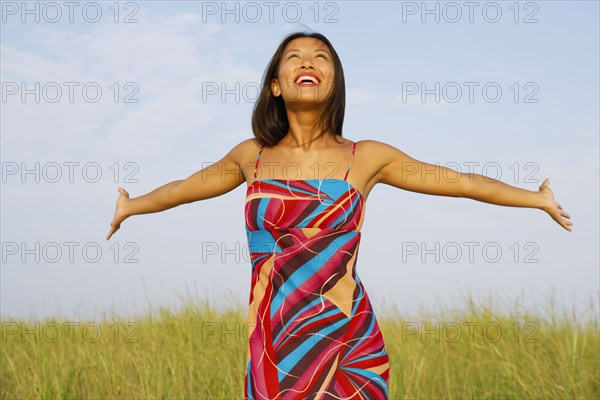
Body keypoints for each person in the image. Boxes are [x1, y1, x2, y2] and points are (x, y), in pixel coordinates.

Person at [106, 31, 573, 399]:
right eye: (294, 56)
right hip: (273, 340)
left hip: (346, 342)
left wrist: (536, 198)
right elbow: (182, 190)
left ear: (334, 83)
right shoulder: (251, 156)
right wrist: (131, 206)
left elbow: (461, 182)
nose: (307, 61)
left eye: (321, 57)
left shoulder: (366, 157)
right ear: (275, 84)